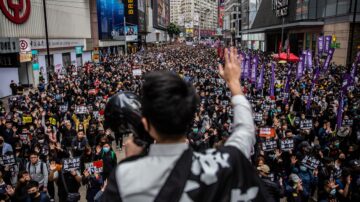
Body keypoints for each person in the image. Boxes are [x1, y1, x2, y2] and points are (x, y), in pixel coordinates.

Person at [102, 48, 269, 201]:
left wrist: (133, 162)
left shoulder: (124, 178)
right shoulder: (226, 162)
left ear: (145, 123)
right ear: (191, 116)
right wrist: (234, 83)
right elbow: (245, 131)